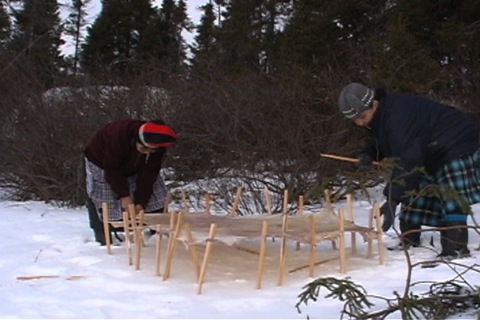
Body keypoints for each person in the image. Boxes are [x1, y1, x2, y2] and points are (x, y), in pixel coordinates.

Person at [338, 82, 480, 259]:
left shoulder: (396, 116)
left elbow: (408, 159)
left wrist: (392, 198)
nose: (359, 123)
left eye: (362, 116)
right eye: (355, 120)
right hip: (430, 146)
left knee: (450, 194)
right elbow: (384, 142)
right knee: (414, 186)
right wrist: (368, 154)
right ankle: (409, 239)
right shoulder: (381, 115)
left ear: (373, 103)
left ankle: (456, 248)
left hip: (456, 141)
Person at [84, 118, 177, 245]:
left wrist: (140, 202)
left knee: (156, 195)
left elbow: (149, 173)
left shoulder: (158, 144)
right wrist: (124, 196)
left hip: (133, 164)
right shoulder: (119, 135)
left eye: (152, 150)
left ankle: (155, 232)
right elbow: (112, 169)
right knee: (105, 201)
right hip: (102, 163)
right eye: (144, 149)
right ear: (137, 141)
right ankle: (103, 237)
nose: (148, 152)